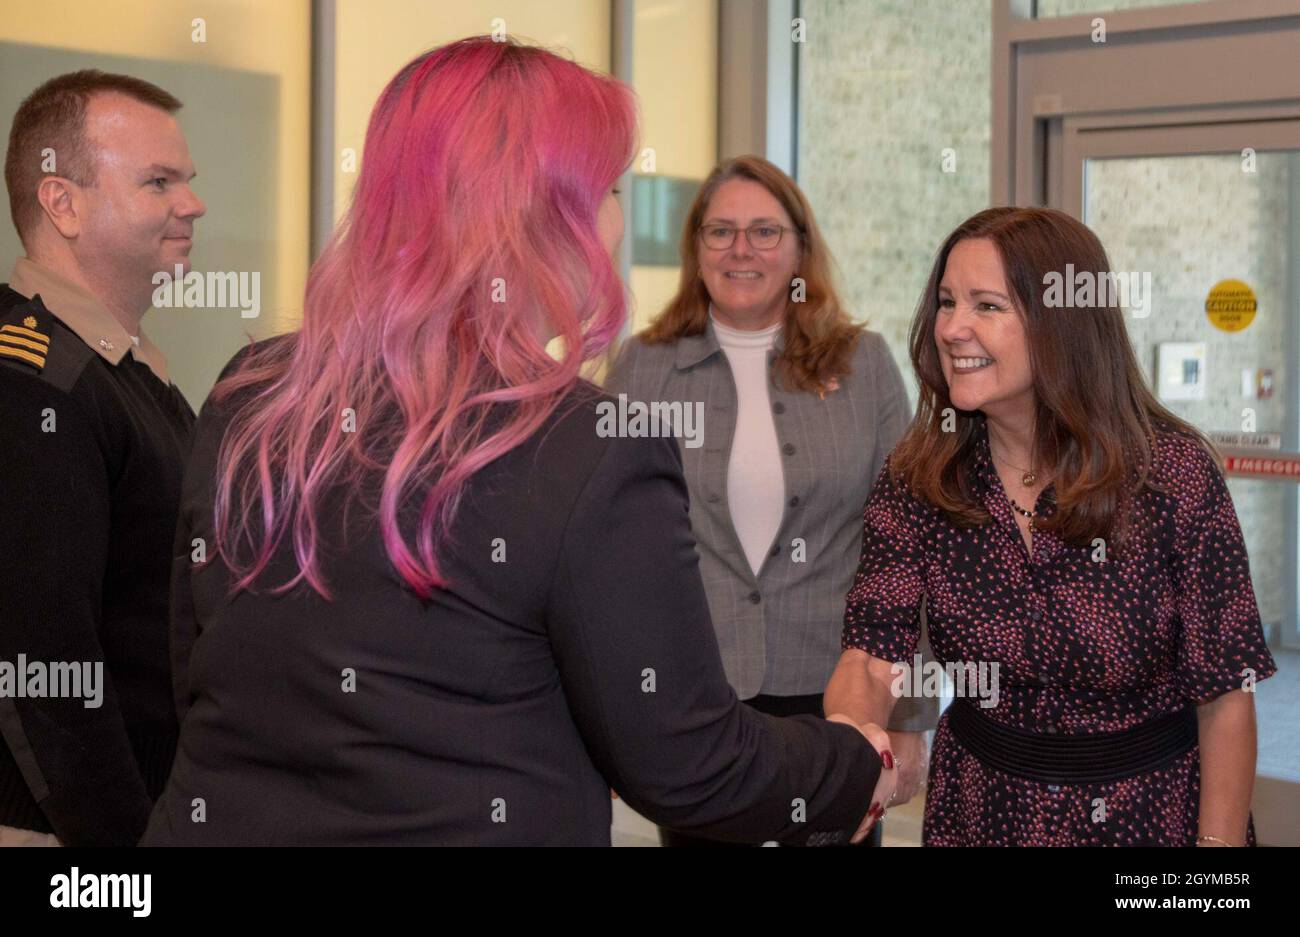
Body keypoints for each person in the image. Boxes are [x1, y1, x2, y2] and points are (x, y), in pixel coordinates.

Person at [141, 37, 895, 847]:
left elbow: (199, 665)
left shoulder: (251, 390)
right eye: (607, 191)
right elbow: (693, 767)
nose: (615, 223)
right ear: (547, 218)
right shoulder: (591, 447)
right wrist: (855, 754)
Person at [824, 206, 1277, 846]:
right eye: (947, 302)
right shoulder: (921, 476)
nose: (953, 328)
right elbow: (872, 654)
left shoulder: (1170, 473)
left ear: (1062, 324)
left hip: (1148, 816)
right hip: (981, 813)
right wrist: (854, 745)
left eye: (986, 306)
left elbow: (1226, 695)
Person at [605, 155, 936, 846]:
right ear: (695, 249)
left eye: (763, 231)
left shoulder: (864, 364)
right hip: (697, 697)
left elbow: (909, 547)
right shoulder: (643, 366)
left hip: (839, 701)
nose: (741, 250)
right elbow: (616, 553)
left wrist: (909, 714)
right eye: (720, 231)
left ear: (799, 249)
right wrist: (613, 712)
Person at [0, 70, 205, 846]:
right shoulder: (31, 381)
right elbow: (40, 663)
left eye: (188, 180)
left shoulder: (121, 373)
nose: (193, 204)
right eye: (159, 181)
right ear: (63, 202)